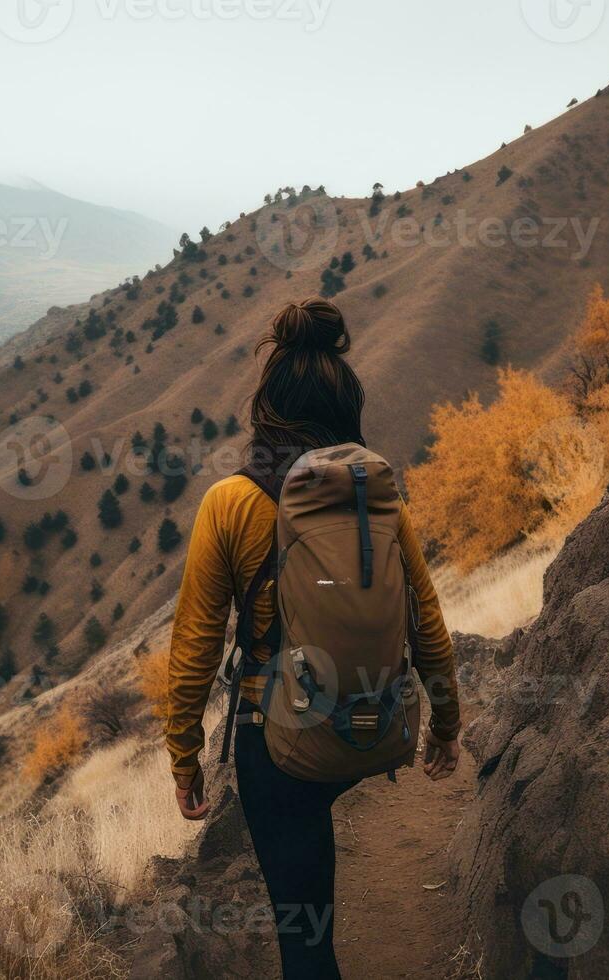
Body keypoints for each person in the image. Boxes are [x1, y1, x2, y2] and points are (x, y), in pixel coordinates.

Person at [164, 297, 462, 979]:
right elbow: (426, 621)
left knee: (306, 940)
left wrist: (184, 757)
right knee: (319, 814)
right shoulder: (376, 495)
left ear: (266, 409)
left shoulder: (230, 503)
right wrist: (443, 724)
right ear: (344, 410)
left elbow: (195, 649)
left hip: (277, 741)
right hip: (372, 721)